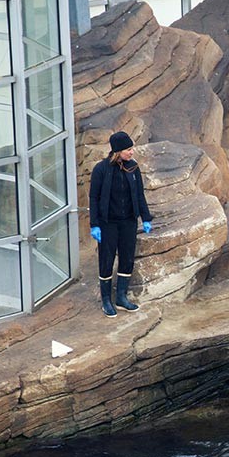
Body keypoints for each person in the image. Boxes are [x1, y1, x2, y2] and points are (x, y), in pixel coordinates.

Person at [88, 131, 153, 317]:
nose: (132, 152)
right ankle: (106, 300)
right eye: (128, 149)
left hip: (128, 222)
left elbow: (140, 194)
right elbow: (94, 198)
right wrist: (95, 224)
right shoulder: (101, 169)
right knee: (106, 260)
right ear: (118, 151)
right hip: (108, 223)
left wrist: (146, 218)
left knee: (127, 258)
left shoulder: (133, 168)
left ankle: (121, 297)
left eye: (132, 148)